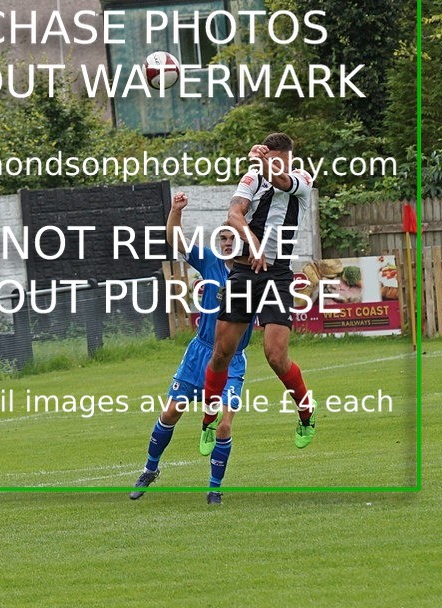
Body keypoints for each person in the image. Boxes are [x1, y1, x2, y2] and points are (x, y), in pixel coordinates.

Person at [130, 192, 253, 505]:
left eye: (233, 237)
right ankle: (149, 469)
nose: (227, 242)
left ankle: (214, 488)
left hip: (232, 361)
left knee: (225, 424)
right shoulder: (210, 261)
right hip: (200, 353)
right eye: (222, 237)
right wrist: (175, 211)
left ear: (244, 240)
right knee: (171, 412)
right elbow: (175, 240)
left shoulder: (256, 274)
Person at [200, 133, 317, 450]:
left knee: (275, 357)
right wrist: (252, 243)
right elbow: (234, 215)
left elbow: (280, 181)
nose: (278, 165)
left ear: (289, 158)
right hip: (243, 272)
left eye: (281, 160)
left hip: (277, 275)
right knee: (221, 354)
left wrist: (267, 164)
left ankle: (306, 413)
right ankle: (209, 421)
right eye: (272, 158)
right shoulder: (251, 178)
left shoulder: (302, 178)